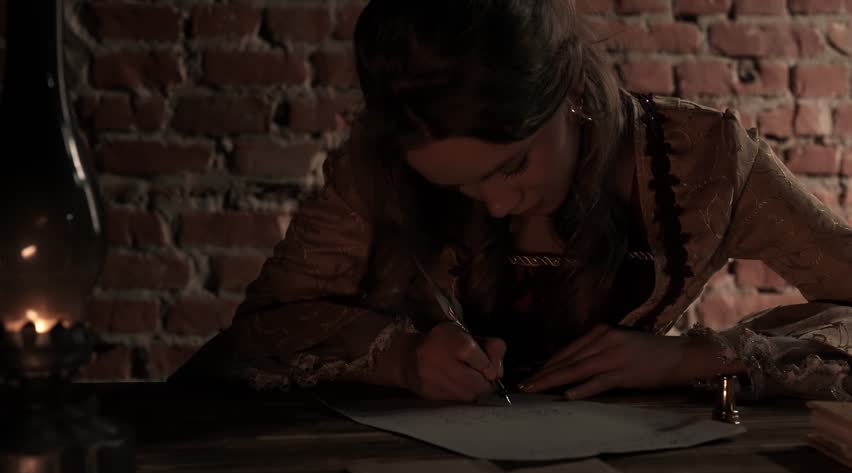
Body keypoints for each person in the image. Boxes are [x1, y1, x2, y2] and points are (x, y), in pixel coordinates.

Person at [170, 0, 852, 403]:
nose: (496, 206)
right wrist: (399, 357)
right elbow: (261, 330)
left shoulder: (702, 161)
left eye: (513, 166)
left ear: (573, 94)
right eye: (459, 187)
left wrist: (694, 358)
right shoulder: (375, 170)